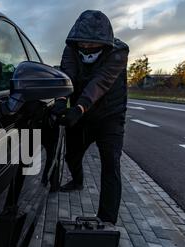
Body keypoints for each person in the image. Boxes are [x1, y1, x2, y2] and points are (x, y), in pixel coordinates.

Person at [53, 10, 129, 225]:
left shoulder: (119, 52)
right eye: (82, 44)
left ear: (103, 42)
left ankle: (106, 219)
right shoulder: (71, 49)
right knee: (72, 155)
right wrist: (60, 102)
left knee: (111, 164)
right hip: (82, 113)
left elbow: (101, 82)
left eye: (91, 44)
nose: (85, 48)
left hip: (110, 117)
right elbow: (67, 75)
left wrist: (78, 108)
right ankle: (77, 181)